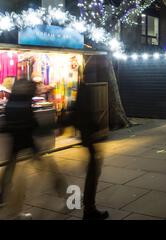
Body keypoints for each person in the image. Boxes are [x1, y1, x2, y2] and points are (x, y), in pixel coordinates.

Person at [0, 79, 66, 219]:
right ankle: (65, 193)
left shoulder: (12, 101)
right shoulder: (23, 103)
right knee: (47, 168)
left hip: (16, 145)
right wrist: (49, 128)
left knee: (11, 175)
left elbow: (10, 123)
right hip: (27, 143)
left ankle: (9, 205)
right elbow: (31, 124)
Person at [71, 81, 108, 220]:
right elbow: (86, 115)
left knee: (93, 172)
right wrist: (95, 127)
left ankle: (89, 208)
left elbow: (78, 115)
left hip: (87, 138)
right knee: (93, 173)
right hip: (89, 139)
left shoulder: (82, 91)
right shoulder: (86, 91)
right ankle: (89, 209)